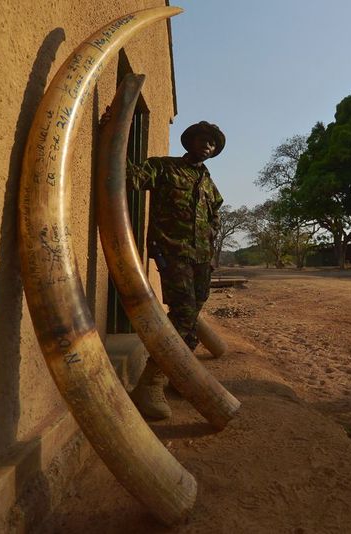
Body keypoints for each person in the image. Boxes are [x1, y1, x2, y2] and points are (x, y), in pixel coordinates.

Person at [123, 121, 225, 419]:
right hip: (172, 252)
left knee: (191, 320)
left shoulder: (209, 184)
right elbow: (133, 178)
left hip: (201, 259)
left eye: (213, 144)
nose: (208, 145)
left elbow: (215, 215)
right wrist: (110, 136)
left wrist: (211, 246)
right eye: (203, 140)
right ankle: (149, 384)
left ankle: (180, 373)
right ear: (190, 141)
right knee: (182, 318)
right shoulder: (163, 167)